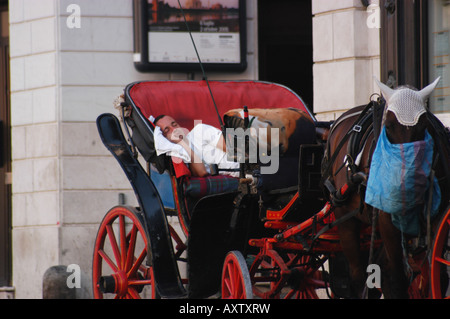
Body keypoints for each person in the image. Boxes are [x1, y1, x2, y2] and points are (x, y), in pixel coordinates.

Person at [153, 115, 240, 177]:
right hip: (241, 173)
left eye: (174, 125)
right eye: (167, 130)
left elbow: (232, 148)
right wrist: (183, 143)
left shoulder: (199, 131)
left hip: (246, 159)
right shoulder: (181, 154)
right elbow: (202, 172)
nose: (174, 130)